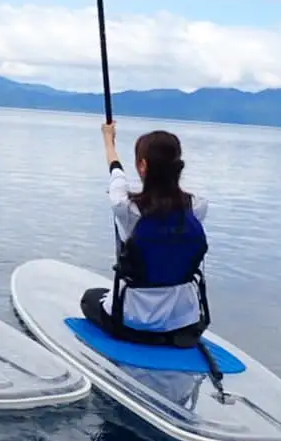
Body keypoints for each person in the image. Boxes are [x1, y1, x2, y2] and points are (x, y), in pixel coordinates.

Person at [80, 121, 210, 347]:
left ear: (142, 165)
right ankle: (167, 334)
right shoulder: (198, 206)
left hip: (133, 320)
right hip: (184, 320)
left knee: (90, 298)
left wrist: (108, 139)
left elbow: (116, 173)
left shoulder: (126, 208)